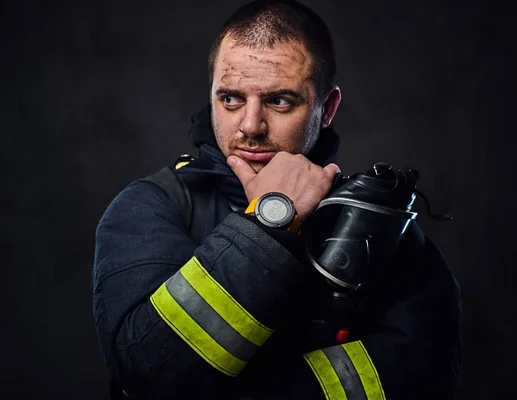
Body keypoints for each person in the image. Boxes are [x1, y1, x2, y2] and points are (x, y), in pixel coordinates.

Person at [92, 0, 462, 399]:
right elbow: (149, 372)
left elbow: (423, 378)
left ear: (326, 108)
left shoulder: (385, 233)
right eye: (230, 99)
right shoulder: (151, 208)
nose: (250, 125)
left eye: (279, 101)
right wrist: (271, 221)